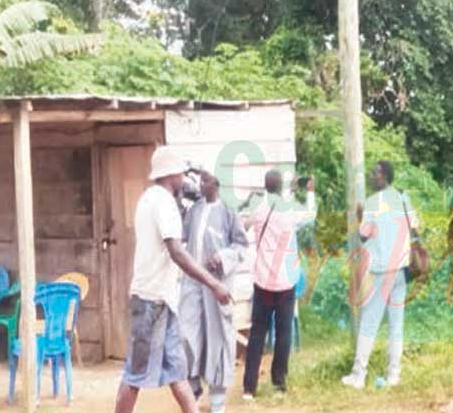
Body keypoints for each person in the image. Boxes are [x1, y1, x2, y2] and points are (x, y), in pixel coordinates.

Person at [114, 147, 232, 413]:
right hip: (150, 302)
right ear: (172, 175)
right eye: (181, 172)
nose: (185, 178)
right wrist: (214, 284)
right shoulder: (163, 203)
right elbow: (177, 253)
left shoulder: (150, 198)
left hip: (163, 301)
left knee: (177, 372)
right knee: (135, 376)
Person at [342, 160, 418, 389]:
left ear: (384, 175)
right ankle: (393, 375)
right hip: (401, 269)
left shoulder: (373, 202)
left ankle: (358, 375)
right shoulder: (403, 198)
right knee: (396, 324)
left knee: (369, 322)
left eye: (375, 173)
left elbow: (364, 235)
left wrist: (359, 215)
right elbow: (415, 226)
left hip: (380, 270)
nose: (372, 176)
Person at [242, 170, 316, 398]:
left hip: (263, 281)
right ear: (280, 186)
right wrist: (310, 193)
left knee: (256, 334)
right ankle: (278, 384)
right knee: (284, 333)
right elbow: (310, 216)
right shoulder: (289, 210)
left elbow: (243, 225)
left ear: (265, 186)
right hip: (285, 283)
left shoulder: (259, 209)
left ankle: (249, 388)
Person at [179, 171, 248, 413]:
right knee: (186, 335)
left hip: (216, 286)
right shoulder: (195, 210)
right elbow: (181, 240)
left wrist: (223, 257)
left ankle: (217, 400)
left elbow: (241, 245)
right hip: (191, 284)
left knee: (217, 339)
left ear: (216, 184)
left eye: (206, 180)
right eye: (200, 180)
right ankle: (193, 387)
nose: (201, 184)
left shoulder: (229, 211)